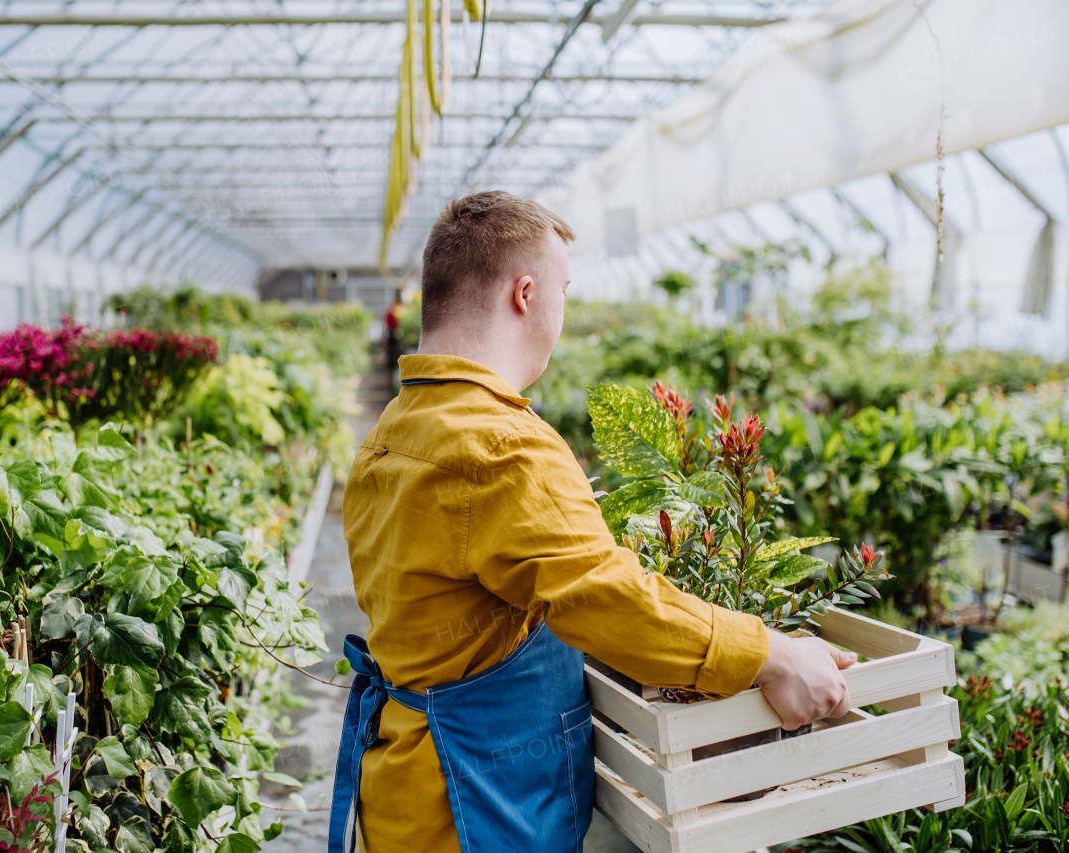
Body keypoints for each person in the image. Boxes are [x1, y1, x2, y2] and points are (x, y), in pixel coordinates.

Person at [331, 191, 855, 853]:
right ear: (525, 294)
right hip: (478, 808)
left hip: (406, 787)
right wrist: (771, 653)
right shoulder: (499, 446)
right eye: (563, 290)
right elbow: (606, 595)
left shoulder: (390, 435)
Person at [383, 292, 403, 369]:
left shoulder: (391, 309)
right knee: (395, 349)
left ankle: (392, 363)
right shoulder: (398, 308)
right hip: (396, 331)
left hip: (391, 331)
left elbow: (386, 320)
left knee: (392, 349)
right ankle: (394, 363)